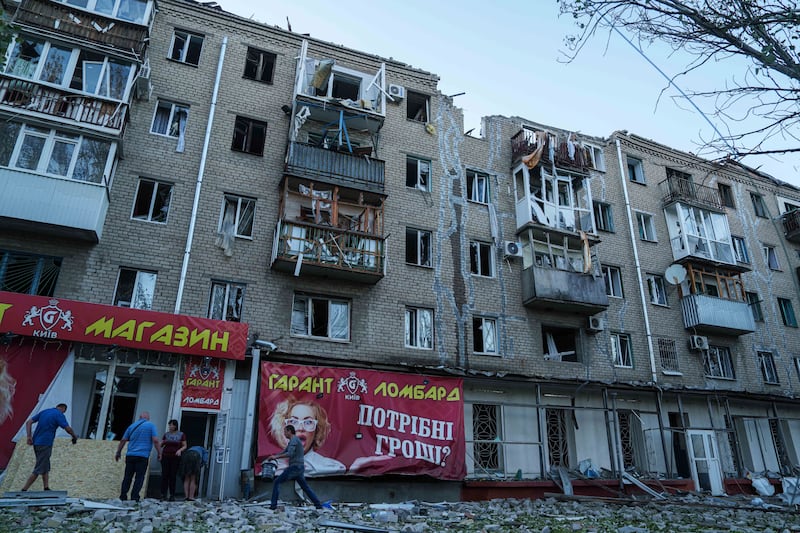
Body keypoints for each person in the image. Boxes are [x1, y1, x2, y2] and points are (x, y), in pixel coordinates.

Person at [268, 398, 345, 476]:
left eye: (308, 422)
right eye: (293, 421)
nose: (300, 428)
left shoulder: (332, 467)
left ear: (317, 431)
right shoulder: (271, 467)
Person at [20, 403, 78, 491]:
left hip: (37, 442)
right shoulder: (59, 414)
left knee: (45, 465)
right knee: (39, 467)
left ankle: (46, 487)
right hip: (45, 443)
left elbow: (29, 422)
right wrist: (74, 436)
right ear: (63, 409)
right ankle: (24, 490)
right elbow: (67, 428)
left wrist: (29, 436)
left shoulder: (45, 412)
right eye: (64, 411)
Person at [267, 424, 324, 510]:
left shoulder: (294, 440)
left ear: (290, 431)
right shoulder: (294, 441)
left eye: (285, 431)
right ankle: (318, 505)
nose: (284, 434)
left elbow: (289, 453)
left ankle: (273, 506)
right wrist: (274, 456)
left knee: (277, 482)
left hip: (295, 467)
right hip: (299, 468)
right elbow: (285, 451)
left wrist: (275, 457)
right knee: (305, 487)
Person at [115, 411, 160, 502]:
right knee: (139, 477)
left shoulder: (131, 426)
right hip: (142, 456)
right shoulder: (151, 425)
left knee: (127, 476)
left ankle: (123, 496)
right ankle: (135, 497)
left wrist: (118, 452)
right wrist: (160, 452)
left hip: (130, 455)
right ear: (147, 418)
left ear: (139, 417)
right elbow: (155, 440)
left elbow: (123, 440)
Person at [160, 419, 186, 501]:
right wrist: (159, 444)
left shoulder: (181, 434)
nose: (170, 427)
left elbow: (184, 445)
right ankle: (163, 494)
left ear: (175, 426)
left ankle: (172, 495)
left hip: (175, 457)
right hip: (165, 456)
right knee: (165, 475)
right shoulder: (166, 435)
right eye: (169, 425)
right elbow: (161, 444)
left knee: (172, 476)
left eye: (172, 425)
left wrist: (180, 450)